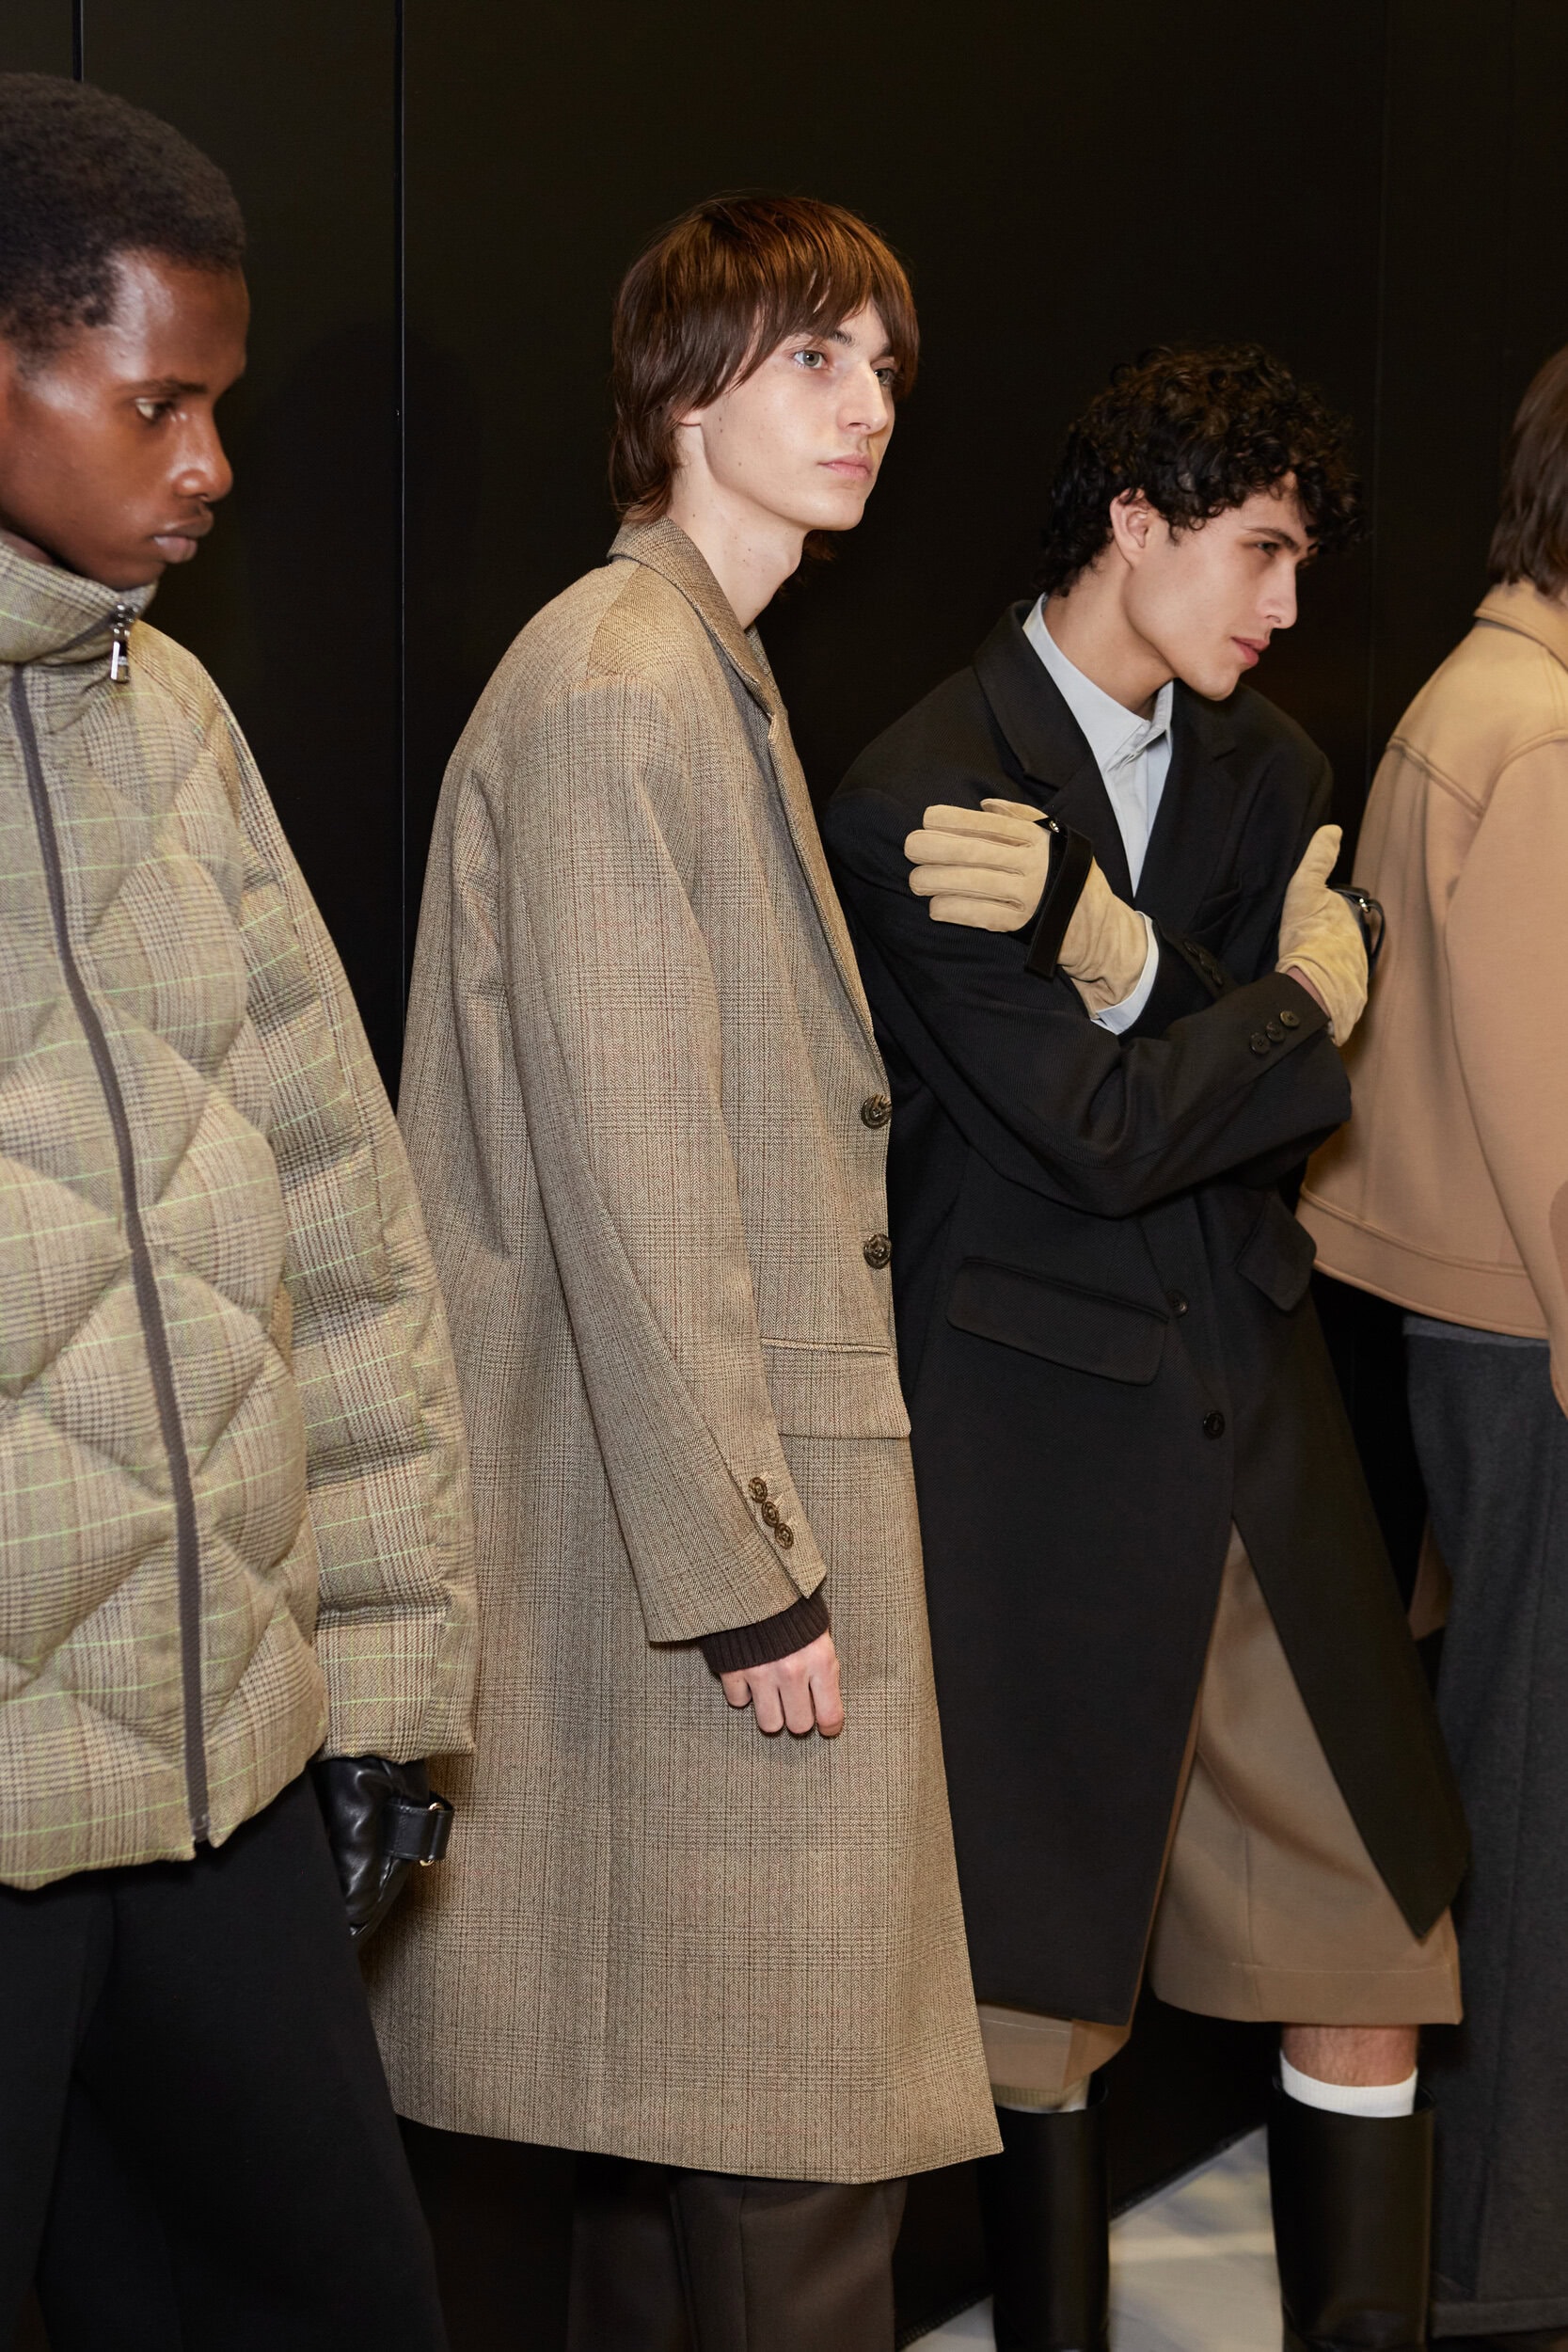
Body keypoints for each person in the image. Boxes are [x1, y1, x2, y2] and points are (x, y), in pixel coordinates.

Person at [366, 194, 997, 2352]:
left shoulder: (689, 671)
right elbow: (637, 1174)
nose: (865, 404)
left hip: (685, 1525)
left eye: (882, 365)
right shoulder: (626, 684)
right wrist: (752, 1574)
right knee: (791, 2132)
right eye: (812, 355)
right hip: (700, 1545)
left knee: (689, 2128)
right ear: (679, 389)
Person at [823, 344, 1471, 2352]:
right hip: (1036, 1453)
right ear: (1136, 520)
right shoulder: (928, 783)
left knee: (1377, 1938)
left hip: (1260, 1427)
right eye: (1260, 549)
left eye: (1300, 562)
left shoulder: (1271, 766)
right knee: (1039, 2004)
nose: (1287, 605)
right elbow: (1102, 1139)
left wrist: (1126, 959)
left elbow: (1278, 1124)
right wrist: (1288, 1001)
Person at [0, 74, 476, 2351]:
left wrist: (387, 1684)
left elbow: (341, 1234)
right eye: (155, 403)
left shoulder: (172, 714)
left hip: (226, 1795)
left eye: (221, 407)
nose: (207, 465)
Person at [1299, 345, 1568, 2352]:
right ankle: (1506, 2256)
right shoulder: (1535, 732)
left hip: (1454, 1316)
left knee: (1510, 1766)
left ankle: (1488, 2237)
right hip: (1526, 1334)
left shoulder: (1472, 699)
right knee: (1536, 1791)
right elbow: (1556, 1116)